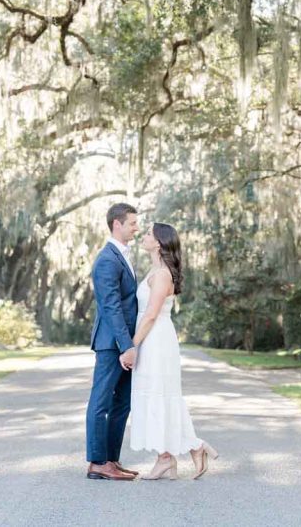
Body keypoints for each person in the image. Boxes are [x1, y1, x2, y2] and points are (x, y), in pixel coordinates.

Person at [129, 222, 218, 480]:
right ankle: (168, 457)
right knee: (155, 396)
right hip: (151, 338)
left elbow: (151, 315)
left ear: (159, 242)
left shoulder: (163, 274)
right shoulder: (155, 270)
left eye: (148, 233)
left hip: (156, 341)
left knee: (160, 396)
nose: (143, 236)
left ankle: (187, 449)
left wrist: (132, 346)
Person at [85, 203, 140, 480]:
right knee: (102, 401)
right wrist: (126, 345)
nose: (136, 228)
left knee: (123, 403)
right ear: (117, 224)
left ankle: (110, 460)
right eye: (132, 223)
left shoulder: (122, 255)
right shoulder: (107, 259)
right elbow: (111, 306)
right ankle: (97, 462)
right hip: (112, 343)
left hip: (124, 341)